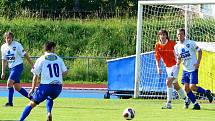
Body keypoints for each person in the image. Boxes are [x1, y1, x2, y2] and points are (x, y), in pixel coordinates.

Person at [20, 41, 68, 121]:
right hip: (57, 88)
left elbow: (35, 76)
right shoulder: (59, 59)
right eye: (54, 48)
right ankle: (49, 112)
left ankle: (20, 120)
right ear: (52, 48)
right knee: (50, 97)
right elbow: (65, 72)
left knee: (31, 104)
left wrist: (32, 89)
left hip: (45, 87)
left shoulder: (41, 59)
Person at [174, 28, 213, 110]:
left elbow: (200, 51)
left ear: (184, 35)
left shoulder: (190, 43)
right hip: (185, 69)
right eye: (178, 34)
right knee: (186, 88)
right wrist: (178, 62)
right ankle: (196, 104)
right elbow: (179, 57)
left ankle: (206, 92)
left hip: (193, 68)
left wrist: (198, 63)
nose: (179, 36)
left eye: (181, 34)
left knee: (192, 87)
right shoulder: (176, 46)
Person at [154, 29, 190, 109]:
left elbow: (179, 53)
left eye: (164, 35)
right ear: (159, 36)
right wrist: (158, 68)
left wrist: (178, 62)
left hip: (175, 65)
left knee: (168, 81)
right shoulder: (157, 45)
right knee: (175, 85)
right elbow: (157, 58)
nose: (162, 36)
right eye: (161, 35)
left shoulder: (172, 43)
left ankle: (169, 103)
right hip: (168, 67)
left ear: (166, 36)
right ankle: (186, 99)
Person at [1, 31, 34, 107]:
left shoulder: (17, 45)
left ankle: (10, 103)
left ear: (12, 38)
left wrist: (32, 64)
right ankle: (33, 99)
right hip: (11, 68)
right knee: (17, 87)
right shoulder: (3, 47)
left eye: (9, 38)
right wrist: (3, 72)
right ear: (5, 39)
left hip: (18, 66)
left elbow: (25, 54)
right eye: (6, 38)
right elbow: (4, 60)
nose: (8, 39)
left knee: (9, 83)